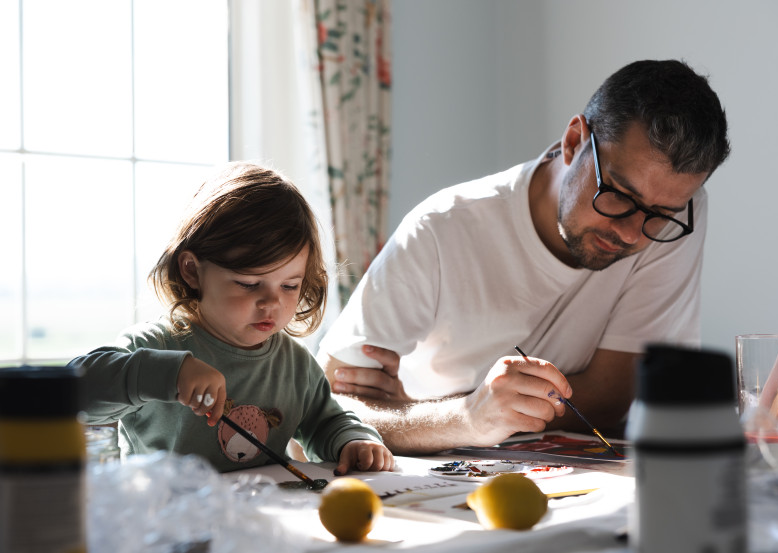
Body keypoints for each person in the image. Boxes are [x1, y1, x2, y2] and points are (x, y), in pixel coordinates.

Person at [316, 59, 731, 455]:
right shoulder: (442, 229)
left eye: (660, 216)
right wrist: (465, 417)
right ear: (573, 142)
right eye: (619, 196)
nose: (630, 232)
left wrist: (421, 416)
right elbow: (323, 413)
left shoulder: (676, 213)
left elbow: (612, 397)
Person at [71, 162, 394, 474]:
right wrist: (167, 373)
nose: (272, 301)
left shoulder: (293, 362)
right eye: (249, 284)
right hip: (167, 517)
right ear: (192, 271)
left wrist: (354, 440)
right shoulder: (156, 345)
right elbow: (78, 393)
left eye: (290, 285)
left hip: (260, 516)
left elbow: (326, 422)